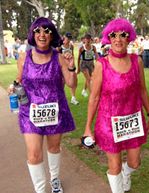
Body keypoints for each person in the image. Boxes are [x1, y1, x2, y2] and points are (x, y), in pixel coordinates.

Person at [82, 18, 149, 193]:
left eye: (123, 35)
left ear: (129, 38)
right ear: (108, 38)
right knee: (114, 167)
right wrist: (87, 127)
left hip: (133, 121)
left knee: (134, 163)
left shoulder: (137, 62)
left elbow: (143, 90)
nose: (118, 39)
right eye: (114, 35)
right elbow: (94, 97)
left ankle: (126, 173)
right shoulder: (102, 64)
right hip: (109, 122)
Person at [8, 17, 77, 193]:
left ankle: (54, 179)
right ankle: (40, 190)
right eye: (38, 30)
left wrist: (71, 66)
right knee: (33, 153)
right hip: (30, 112)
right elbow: (19, 77)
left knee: (53, 148)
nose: (42, 34)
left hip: (55, 110)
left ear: (52, 35)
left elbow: (71, 84)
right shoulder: (24, 57)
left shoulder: (59, 57)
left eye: (47, 31)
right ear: (33, 34)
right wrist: (13, 84)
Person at [57, 32, 79, 105]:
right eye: (67, 38)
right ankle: (60, 98)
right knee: (62, 82)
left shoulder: (71, 46)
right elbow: (56, 56)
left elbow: (72, 55)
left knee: (74, 81)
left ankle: (73, 98)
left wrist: (74, 66)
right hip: (62, 67)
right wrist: (63, 55)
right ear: (64, 37)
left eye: (70, 38)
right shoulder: (60, 46)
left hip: (70, 66)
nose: (68, 39)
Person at [77, 33, 98, 97]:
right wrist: (78, 68)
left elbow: (96, 55)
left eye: (89, 39)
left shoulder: (93, 47)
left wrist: (99, 61)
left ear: (91, 40)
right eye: (86, 39)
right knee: (89, 79)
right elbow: (78, 58)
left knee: (89, 78)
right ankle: (92, 94)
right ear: (84, 40)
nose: (88, 40)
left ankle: (84, 90)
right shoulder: (82, 48)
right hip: (84, 64)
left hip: (91, 64)